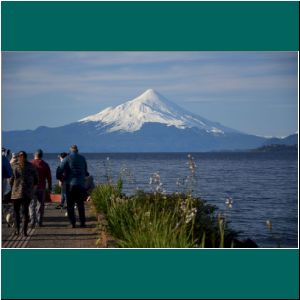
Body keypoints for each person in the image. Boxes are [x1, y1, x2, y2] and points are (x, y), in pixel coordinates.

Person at [57, 145, 88, 228]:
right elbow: (85, 171)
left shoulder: (67, 158)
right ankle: (82, 222)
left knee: (70, 204)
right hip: (80, 184)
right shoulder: (82, 158)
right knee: (80, 204)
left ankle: (72, 223)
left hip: (70, 184)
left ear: (70, 151)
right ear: (77, 151)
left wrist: (60, 178)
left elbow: (60, 170)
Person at [10, 151, 38, 236]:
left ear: (18, 157)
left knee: (16, 212)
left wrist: (14, 186)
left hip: (16, 193)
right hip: (27, 193)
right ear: (26, 157)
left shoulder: (14, 166)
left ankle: (17, 230)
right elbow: (36, 180)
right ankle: (25, 231)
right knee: (25, 212)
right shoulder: (32, 166)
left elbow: (10, 180)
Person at [29, 149, 52, 227]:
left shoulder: (30, 164)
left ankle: (32, 221)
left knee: (32, 205)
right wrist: (50, 187)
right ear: (41, 155)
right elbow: (49, 177)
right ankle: (39, 222)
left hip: (32, 188)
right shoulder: (45, 165)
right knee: (40, 205)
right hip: (41, 188)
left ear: (34, 155)